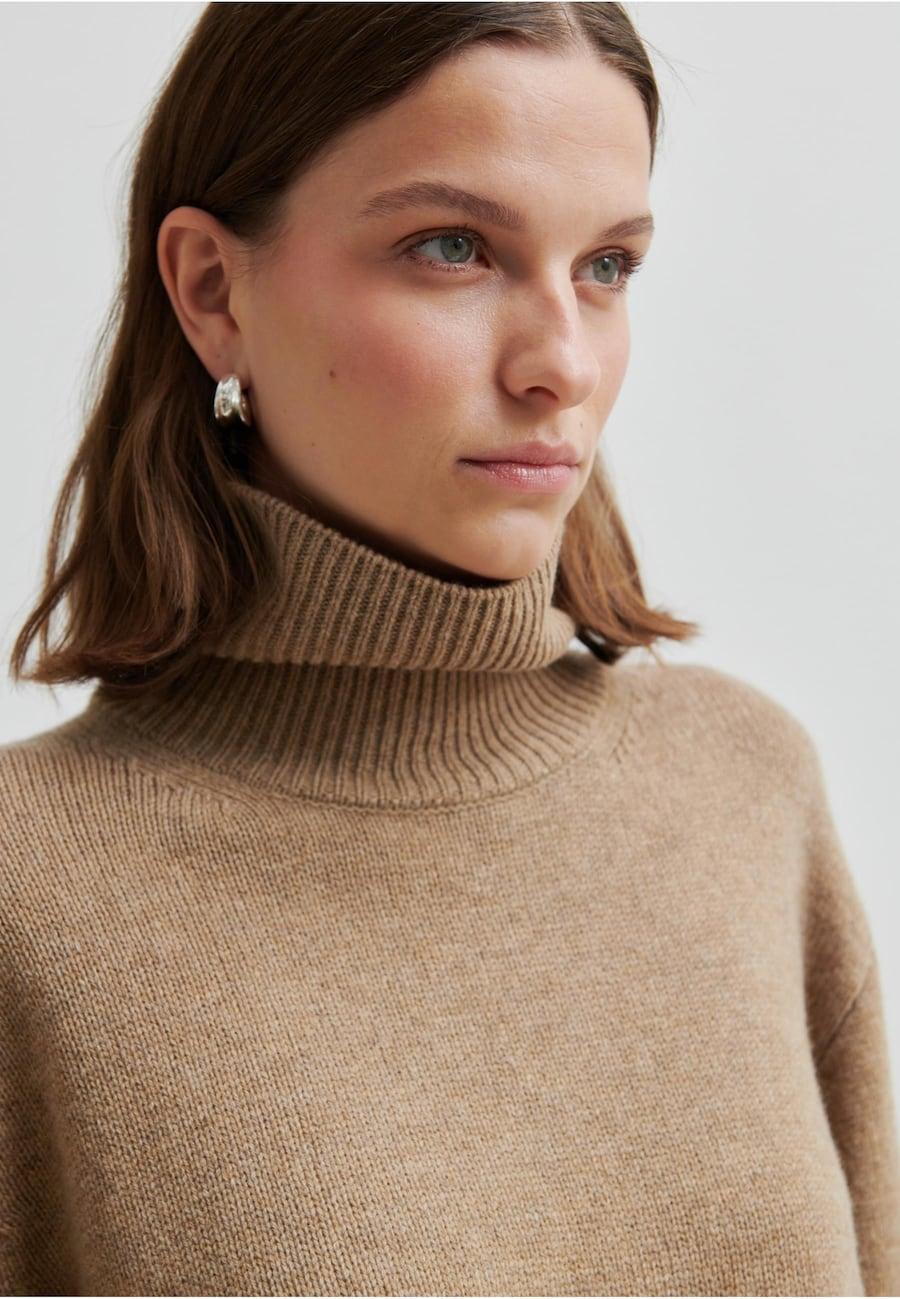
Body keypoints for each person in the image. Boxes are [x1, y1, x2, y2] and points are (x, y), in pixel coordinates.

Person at [2, 3, 898, 1294]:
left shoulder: (743, 788)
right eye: (451, 248)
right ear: (211, 290)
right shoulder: (31, 892)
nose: (561, 364)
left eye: (608, 266)